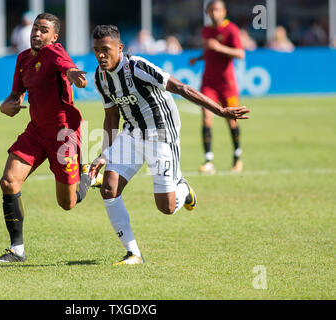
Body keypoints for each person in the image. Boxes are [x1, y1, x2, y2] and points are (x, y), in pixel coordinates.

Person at [88, 25, 250, 265]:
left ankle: (183, 189)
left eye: (106, 49)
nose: (101, 55)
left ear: (120, 48)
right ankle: (134, 254)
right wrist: (105, 154)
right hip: (132, 134)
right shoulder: (100, 78)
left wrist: (220, 110)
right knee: (109, 189)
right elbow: (112, 117)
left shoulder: (138, 67)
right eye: (96, 50)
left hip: (161, 134)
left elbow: (182, 88)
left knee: (166, 207)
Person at [0, 13, 102, 263]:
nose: (36, 34)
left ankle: (88, 176)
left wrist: (74, 75)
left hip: (63, 134)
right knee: (9, 182)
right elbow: (16, 96)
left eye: (43, 30)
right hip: (36, 131)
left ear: (54, 37)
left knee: (67, 203)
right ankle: (16, 250)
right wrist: (5, 106)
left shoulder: (55, 53)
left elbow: (69, 67)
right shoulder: (22, 60)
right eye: (34, 29)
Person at [189, 0, 245, 174]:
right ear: (207, 12)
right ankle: (209, 161)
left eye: (218, 10)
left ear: (224, 11)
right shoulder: (206, 30)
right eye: (212, 10)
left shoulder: (231, 30)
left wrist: (220, 47)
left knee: (232, 120)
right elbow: (209, 53)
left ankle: (237, 159)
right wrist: (199, 58)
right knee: (206, 116)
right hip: (209, 83)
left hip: (227, 85)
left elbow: (240, 53)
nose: (215, 13)